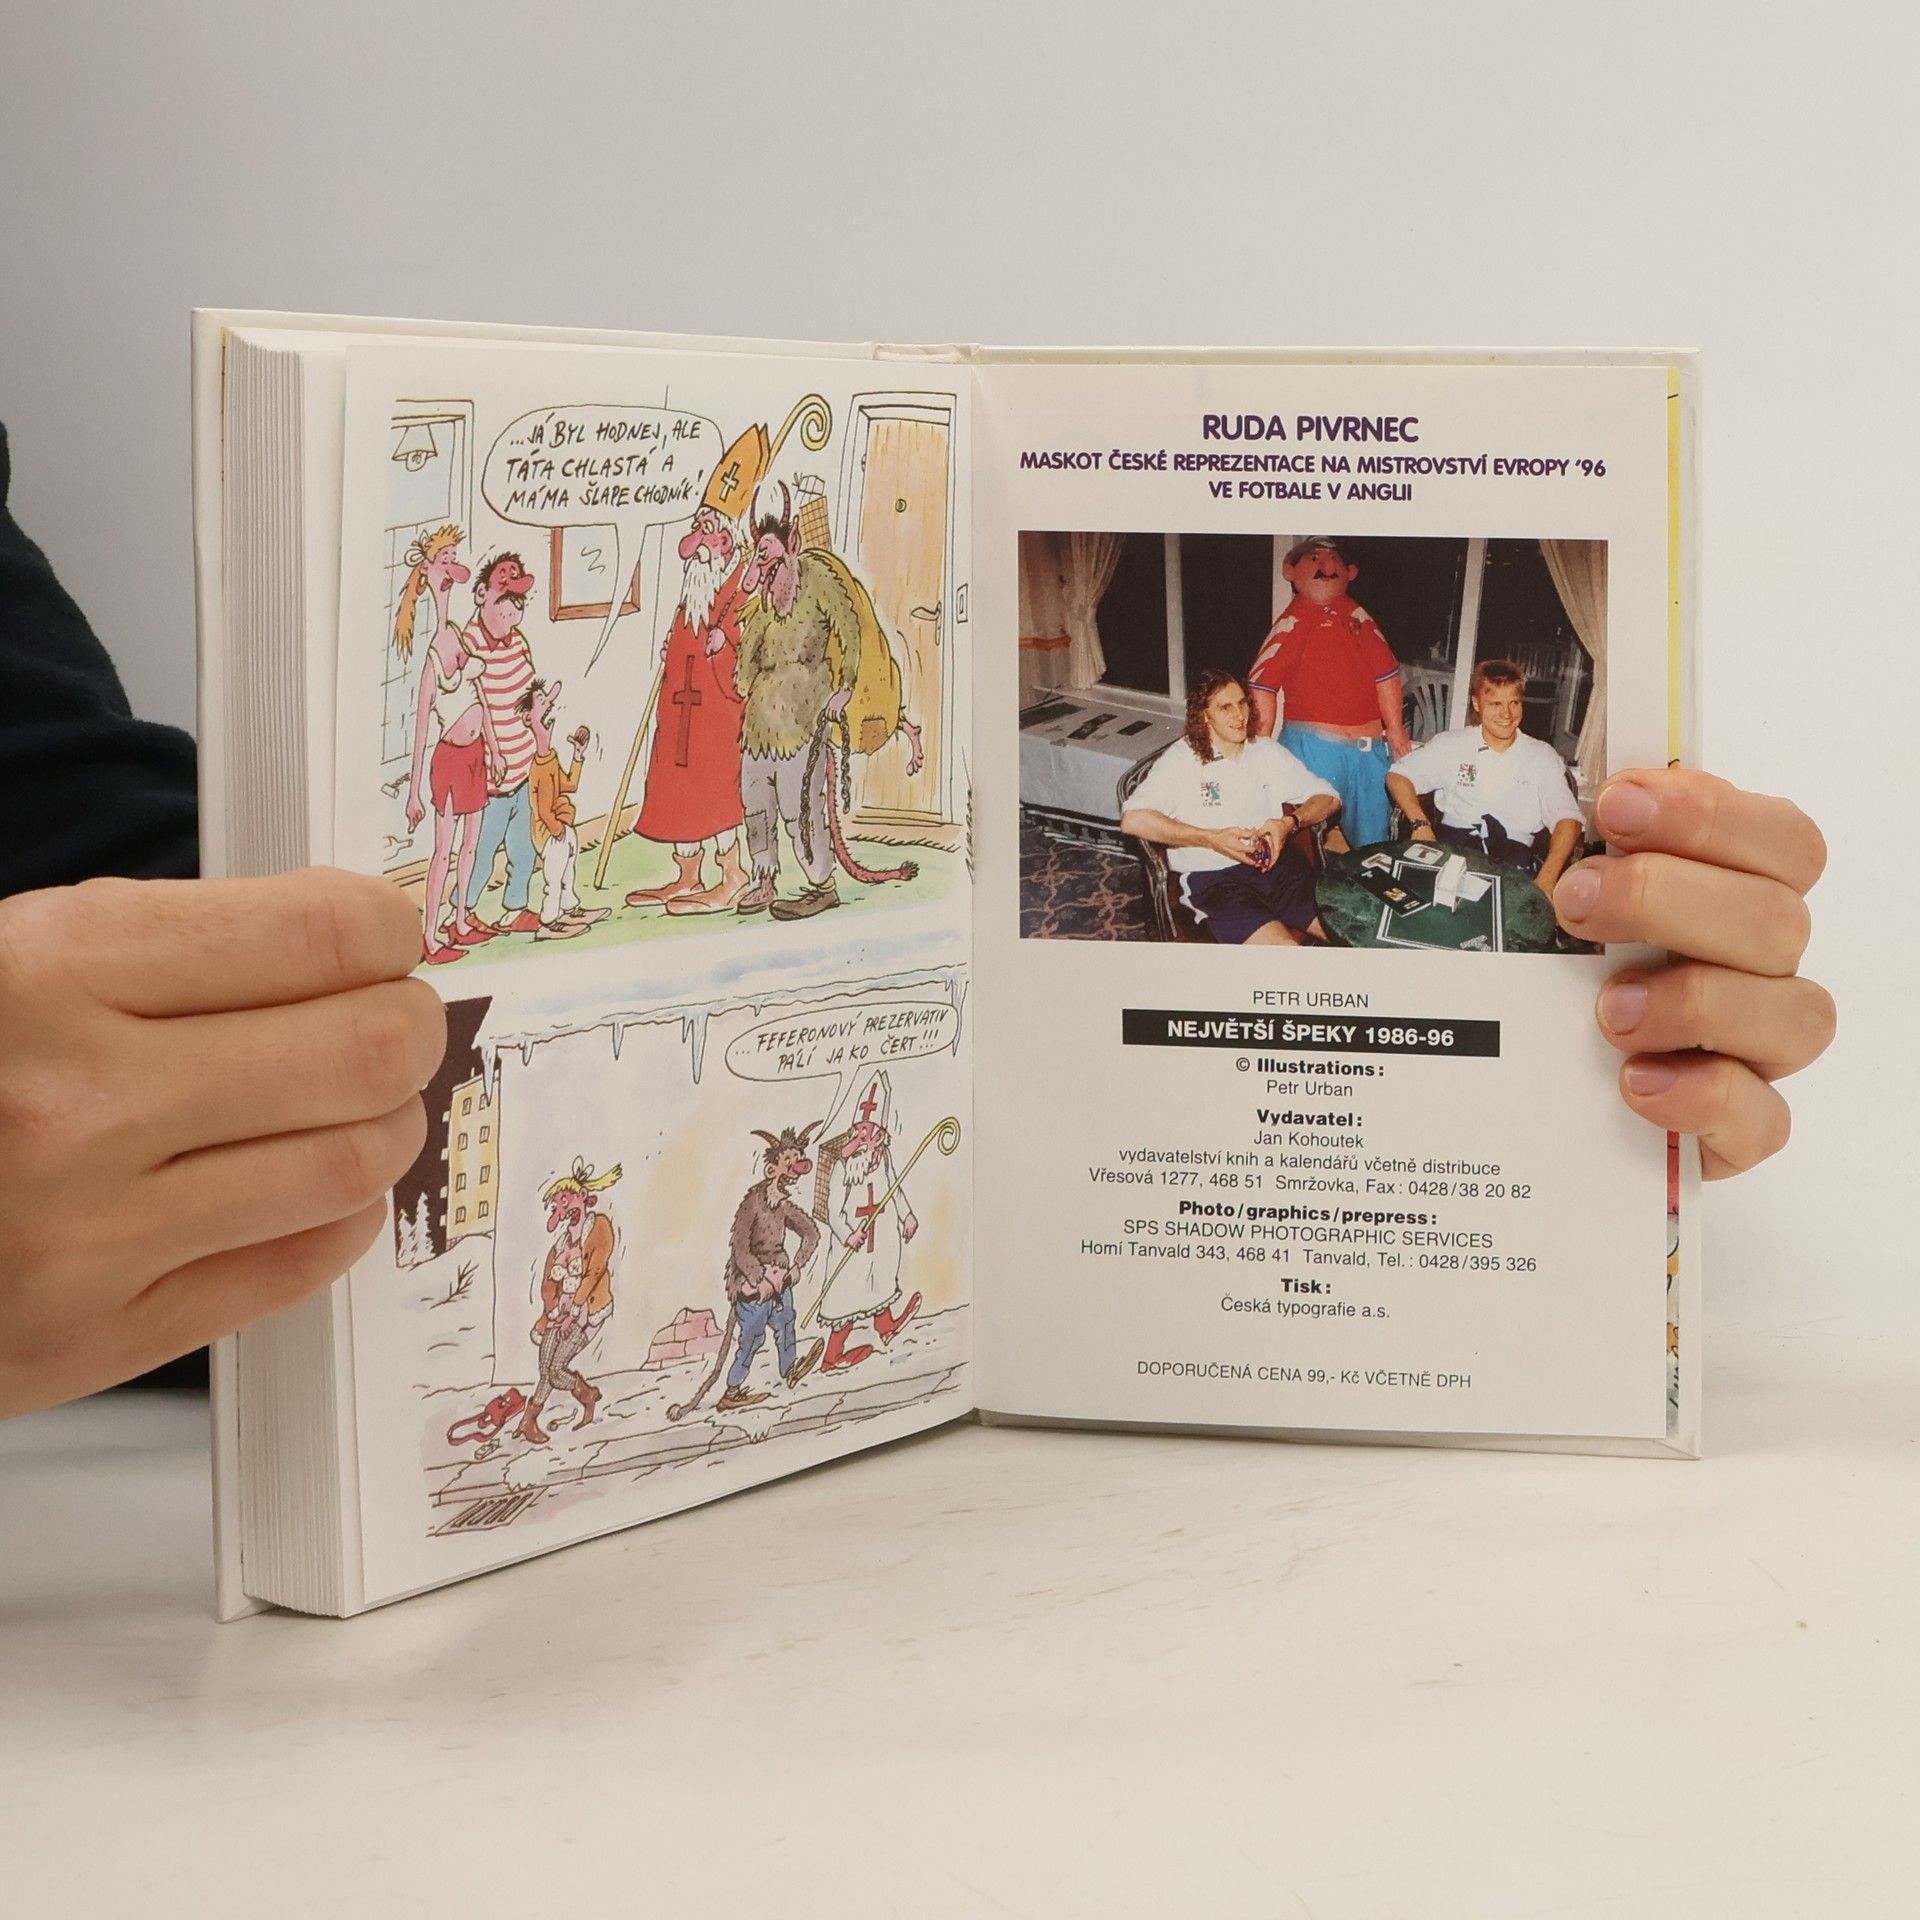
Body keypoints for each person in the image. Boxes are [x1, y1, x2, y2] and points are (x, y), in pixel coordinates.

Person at [0, 422, 1839, 1420]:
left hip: (935, 838)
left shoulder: (1326, 718)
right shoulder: (1204, 741)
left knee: (1346, 905)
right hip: (1143, 865)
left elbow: (95, 876)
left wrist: (1539, 1105)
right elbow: (1164, 814)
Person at [1121, 668, 1343, 945]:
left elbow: (1329, 797)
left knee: (1347, 931)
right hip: (1216, 880)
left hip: (1277, 867)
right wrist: (1211, 839)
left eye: (1242, 703)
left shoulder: (1264, 751)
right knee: (1285, 950)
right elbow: (1133, 819)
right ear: (1204, 716)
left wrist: (1290, 823)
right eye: (1225, 707)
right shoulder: (1181, 761)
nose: (1239, 715)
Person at [1246, 536, 1412, 849]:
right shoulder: (1291, 623)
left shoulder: (1360, 618)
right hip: (1313, 748)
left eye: (1333, 558)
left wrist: (1395, 729)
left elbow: (1387, 674)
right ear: (1290, 571)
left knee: (1375, 848)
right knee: (1304, 841)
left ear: (1350, 572)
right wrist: (1261, 745)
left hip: (1369, 751)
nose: (1325, 565)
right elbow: (1262, 685)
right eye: (1314, 558)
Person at [1386, 658, 1586, 894]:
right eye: (1495, 704)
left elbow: (1569, 820)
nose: (1506, 714)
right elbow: (1398, 776)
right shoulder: (1451, 744)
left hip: (1512, 858)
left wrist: (1547, 879)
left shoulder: (1542, 755)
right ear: (1477, 703)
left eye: (1514, 703)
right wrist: (1420, 823)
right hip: (1451, 848)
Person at [396, 524, 494, 965]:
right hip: (449, 760)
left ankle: (461, 919)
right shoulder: (433, 654)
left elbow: (480, 697)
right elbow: (420, 729)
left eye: (455, 557)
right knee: (444, 850)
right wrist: (413, 792)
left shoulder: (456, 632)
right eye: (445, 560)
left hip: (475, 755)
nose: (453, 568)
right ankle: (431, 935)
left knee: (471, 843)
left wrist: (494, 748)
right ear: (429, 571)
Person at [459, 553, 542, 935]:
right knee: (482, 849)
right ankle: (462, 911)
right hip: (492, 775)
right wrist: (492, 752)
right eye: (503, 601)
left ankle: (515, 908)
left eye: (517, 603)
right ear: (481, 595)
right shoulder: (469, 645)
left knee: (523, 847)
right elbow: (472, 707)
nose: (511, 611)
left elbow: (527, 692)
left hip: (524, 764)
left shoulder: (518, 641)